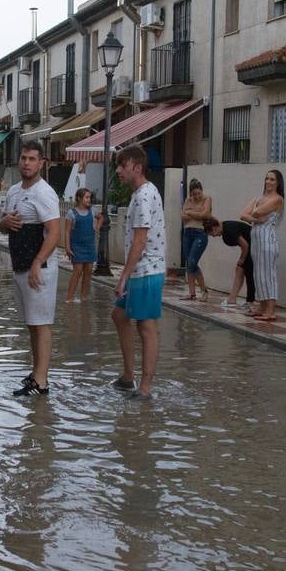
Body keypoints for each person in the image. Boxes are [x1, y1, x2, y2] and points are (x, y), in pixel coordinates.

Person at [0, 140, 60, 397]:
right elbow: (2, 226)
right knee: (32, 323)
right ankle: (36, 373)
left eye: (32, 159)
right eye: (24, 158)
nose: (26, 163)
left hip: (39, 268)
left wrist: (37, 263)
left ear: (41, 163)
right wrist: (4, 223)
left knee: (42, 323)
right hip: (20, 265)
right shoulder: (13, 191)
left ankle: (42, 381)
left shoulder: (44, 193)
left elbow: (55, 232)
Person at [111, 145, 166, 399]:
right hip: (140, 270)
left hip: (147, 269)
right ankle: (128, 377)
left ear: (137, 167)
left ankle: (145, 387)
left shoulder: (144, 196)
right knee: (119, 315)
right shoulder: (140, 194)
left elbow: (140, 241)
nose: (118, 171)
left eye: (122, 165)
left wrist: (123, 277)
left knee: (146, 325)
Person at [241, 169, 284, 322]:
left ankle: (271, 310)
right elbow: (243, 215)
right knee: (258, 274)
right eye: (267, 178)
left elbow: (257, 211)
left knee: (268, 275)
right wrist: (256, 218)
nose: (268, 182)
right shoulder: (259, 198)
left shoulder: (278, 199)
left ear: (278, 182)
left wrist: (253, 215)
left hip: (267, 240)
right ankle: (261, 306)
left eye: (272, 179)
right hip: (257, 240)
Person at [204, 217, 256, 312]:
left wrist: (242, 259)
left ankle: (250, 302)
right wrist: (242, 260)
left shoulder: (229, 230)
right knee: (239, 270)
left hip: (255, 246)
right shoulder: (225, 226)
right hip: (251, 246)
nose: (213, 236)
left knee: (249, 272)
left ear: (214, 228)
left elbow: (245, 245)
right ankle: (233, 299)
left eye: (212, 234)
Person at [179, 179, 213, 301]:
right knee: (189, 263)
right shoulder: (188, 200)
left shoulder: (207, 199)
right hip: (187, 233)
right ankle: (192, 293)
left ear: (202, 191)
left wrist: (190, 212)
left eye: (199, 193)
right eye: (194, 194)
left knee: (193, 262)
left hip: (200, 233)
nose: (197, 196)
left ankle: (204, 291)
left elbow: (205, 214)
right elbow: (182, 216)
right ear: (191, 193)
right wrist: (196, 212)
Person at [63, 188, 97, 304]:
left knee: (88, 272)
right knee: (77, 271)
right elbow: (67, 232)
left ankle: (84, 297)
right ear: (79, 198)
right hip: (77, 247)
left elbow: (101, 217)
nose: (89, 199)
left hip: (90, 246)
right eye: (87, 197)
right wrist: (68, 248)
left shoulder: (92, 211)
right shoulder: (71, 213)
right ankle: (69, 298)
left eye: (90, 197)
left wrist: (96, 227)